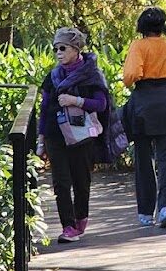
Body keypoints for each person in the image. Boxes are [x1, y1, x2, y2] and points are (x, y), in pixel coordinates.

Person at [38, 26, 112, 244]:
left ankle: (81, 218)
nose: (58, 53)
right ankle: (67, 226)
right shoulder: (51, 77)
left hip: (81, 135)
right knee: (61, 182)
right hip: (55, 133)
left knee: (81, 180)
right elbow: (44, 109)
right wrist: (40, 141)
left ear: (76, 49)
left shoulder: (92, 75)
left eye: (63, 48)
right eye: (55, 49)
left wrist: (75, 101)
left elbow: (101, 104)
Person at [122, 6, 166, 229]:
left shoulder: (138, 46)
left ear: (142, 26)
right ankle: (165, 208)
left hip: (143, 105)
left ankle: (144, 213)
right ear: (163, 26)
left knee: (143, 161)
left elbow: (131, 76)